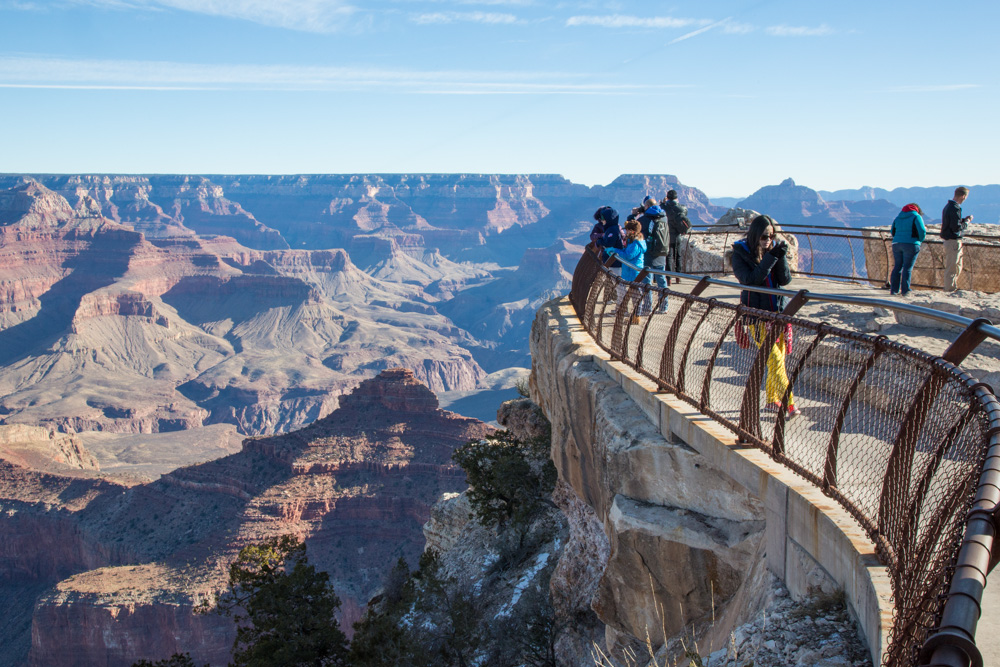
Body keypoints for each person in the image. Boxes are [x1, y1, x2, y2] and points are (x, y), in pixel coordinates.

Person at [731, 214, 800, 418]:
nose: (767, 240)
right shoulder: (740, 254)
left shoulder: (772, 251)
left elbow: (784, 280)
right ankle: (790, 403)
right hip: (758, 317)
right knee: (776, 361)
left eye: (770, 236)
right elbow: (751, 280)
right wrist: (770, 258)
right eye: (763, 237)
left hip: (777, 315)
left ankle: (772, 401)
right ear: (755, 236)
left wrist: (781, 258)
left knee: (776, 361)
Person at [605, 220, 647, 323]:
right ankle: (634, 316)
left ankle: (636, 317)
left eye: (627, 230)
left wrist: (615, 250)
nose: (626, 232)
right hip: (630, 270)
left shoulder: (637, 243)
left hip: (634, 271)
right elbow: (626, 252)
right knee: (633, 295)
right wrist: (614, 250)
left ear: (632, 231)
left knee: (636, 295)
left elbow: (628, 255)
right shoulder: (632, 241)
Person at [889, 203, 927, 296]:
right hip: (911, 244)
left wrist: (898, 239)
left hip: (896, 244)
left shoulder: (898, 217)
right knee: (907, 268)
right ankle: (905, 290)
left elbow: (892, 231)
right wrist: (919, 241)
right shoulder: (916, 216)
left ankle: (894, 290)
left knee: (897, 266)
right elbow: (922, 231)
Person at [940, 187, 973, 292]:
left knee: (957, 265)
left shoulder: (948, 206)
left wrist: (961, 220)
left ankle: (952, 286)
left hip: (949, 240)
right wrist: (967, 222)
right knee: (952, 266)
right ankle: (949, 288)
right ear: (963, 196)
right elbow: (956, 227)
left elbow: (952, 222)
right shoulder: (955, 208)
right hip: (953, 241)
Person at [637, 195, 669, 292]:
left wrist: (636, 215)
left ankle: (647, 306)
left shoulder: (643, 220)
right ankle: (664, 306)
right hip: (662, 252)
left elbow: (635, 230)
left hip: (648, 253)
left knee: (647, 283)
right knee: (662, 280)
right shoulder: (664, 218)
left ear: (646, 206)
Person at [661, 190, 692, 280]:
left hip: (668, 236)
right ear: (676, 198)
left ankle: (669, 278)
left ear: (667, 197)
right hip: (678, 236)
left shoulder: (665, 208)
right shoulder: (681, 208)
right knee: (678, 256)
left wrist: (663, 203)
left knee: (669, 257)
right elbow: (685, 213)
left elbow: (660, 210)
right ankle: (678, 277)